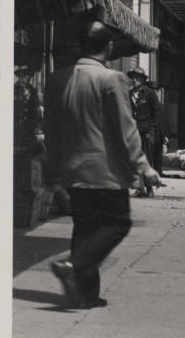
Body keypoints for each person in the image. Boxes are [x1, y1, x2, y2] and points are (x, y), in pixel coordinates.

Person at [43, 19, 162, 309]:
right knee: (117, 223)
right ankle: (74, 265)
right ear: (109, 47)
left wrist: (54, 169)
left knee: (84, 228)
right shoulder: (111, 79)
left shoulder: (58, 79)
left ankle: (84, 294)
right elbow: (126, 127)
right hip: (104, 169)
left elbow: (51, 129)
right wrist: (144, 167)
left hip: (73, 168)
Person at [126, 69, 164, 198]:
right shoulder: (129, 94)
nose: (134, 80)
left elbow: (157, 113)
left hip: (146, 131)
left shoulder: (150, 93)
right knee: (134, 159)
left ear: (142, 79)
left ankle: (149, 188)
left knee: (146, 159)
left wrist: (152, 129)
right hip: (133, 132)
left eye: (137, 78)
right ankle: (139, 188)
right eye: (133, 78)